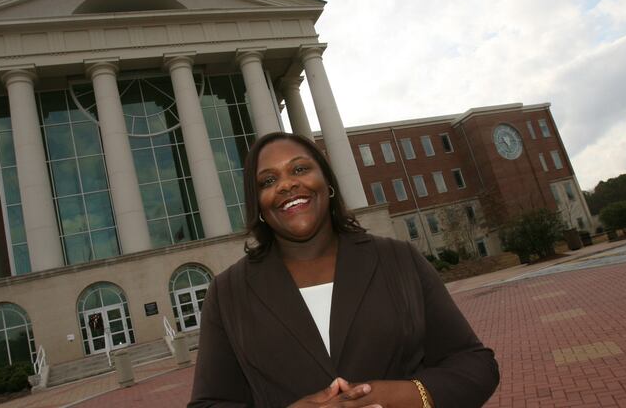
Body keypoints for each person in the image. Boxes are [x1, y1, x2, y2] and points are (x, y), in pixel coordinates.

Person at [188, 132, 499, 407]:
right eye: (268, 181)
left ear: (328, 182)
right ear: (257, 203)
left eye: (300, 169)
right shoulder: (228, 292)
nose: (286, 184)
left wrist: (399, 397)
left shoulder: (398, 259)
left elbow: (474, 364)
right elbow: (210, 403)